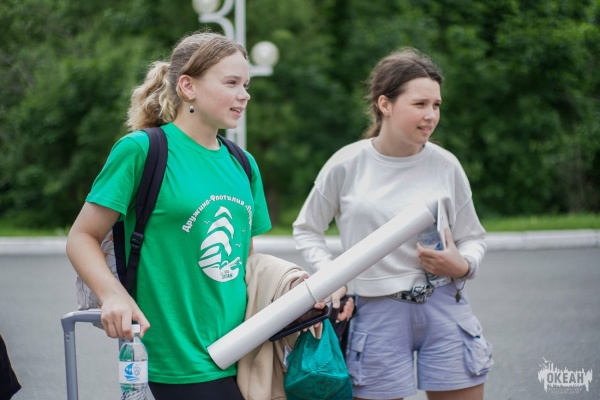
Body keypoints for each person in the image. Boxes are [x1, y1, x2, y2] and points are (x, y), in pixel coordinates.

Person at [66, 31, 273, 400]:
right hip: (175, 362)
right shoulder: (142, 150)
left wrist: (292, 288)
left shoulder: (243, 163)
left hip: (242, 354)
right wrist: (112, 295)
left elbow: (247, 258)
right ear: (187, 87)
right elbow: (82, 237)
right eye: (231, 83)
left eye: (246, 85)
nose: (244, 95)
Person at [293, 48, 493, 400]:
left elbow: (473, 237)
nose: (431, 115)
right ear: (384, 104)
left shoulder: (447, 165)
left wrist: (462, 265)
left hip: (445, 307)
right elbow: (307, 229)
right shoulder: (346, 163)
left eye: (436, 105)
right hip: (375, 315)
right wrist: (331, 276)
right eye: (420, 104)